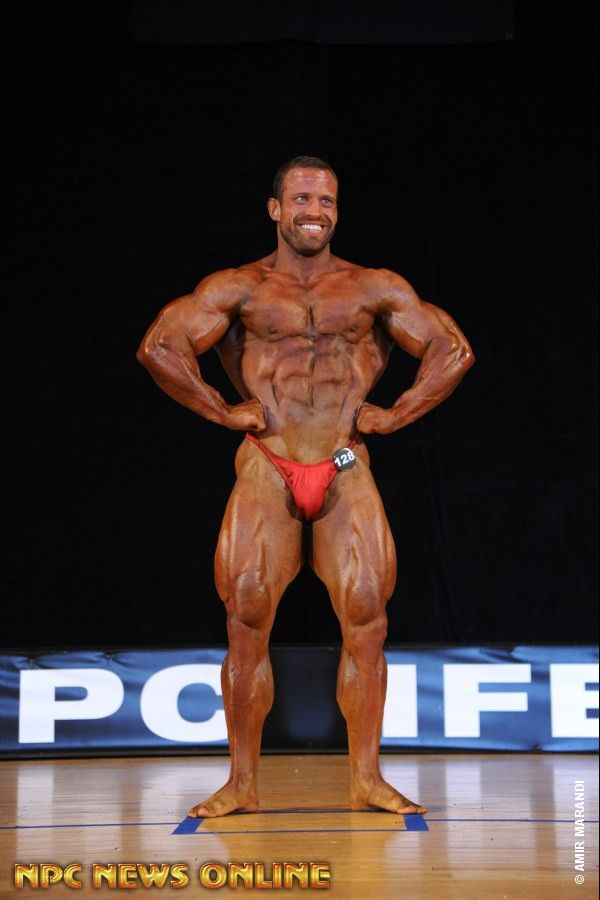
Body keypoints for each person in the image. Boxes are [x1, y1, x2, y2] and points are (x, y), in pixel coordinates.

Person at [136, 155, 474, 818]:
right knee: (246, 618)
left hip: (345, 460)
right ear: (275, 209)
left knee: (367, 617)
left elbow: (453, 348)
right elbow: (159, 346)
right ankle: (241, 783)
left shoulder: (373, 288)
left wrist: (397, 414)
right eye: (301, 199)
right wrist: (220, 410)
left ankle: (367, 778)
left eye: (325, 201)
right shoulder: (239, 288)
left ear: (336, 211)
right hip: (270, 459)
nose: (314, 211)